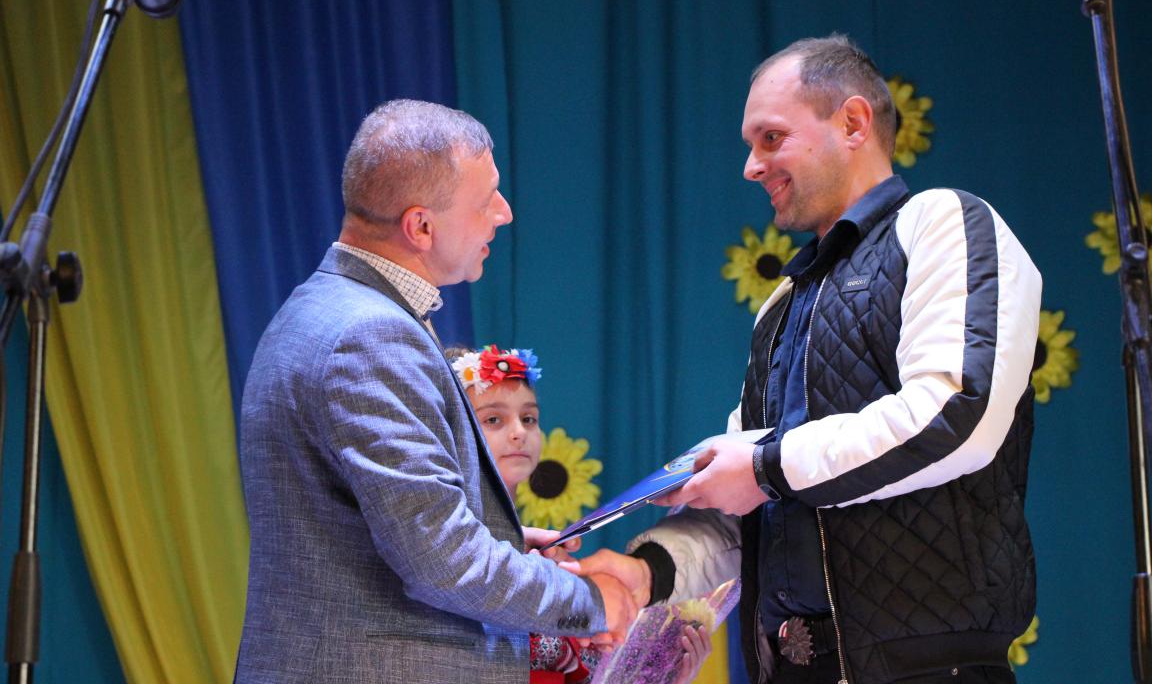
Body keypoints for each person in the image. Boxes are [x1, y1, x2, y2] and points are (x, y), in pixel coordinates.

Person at [576, 35, 1040, 684]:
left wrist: (763, 467)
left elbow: (954, 413)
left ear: (853, 123)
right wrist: (647, 570)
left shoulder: (941, 223)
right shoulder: (781, 303)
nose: (751, 166)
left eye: (771, 138)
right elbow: (757, 498)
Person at [234, 99, 636, 683]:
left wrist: (499, 537)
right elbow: (442, 561)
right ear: (421, 227)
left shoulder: (327, 308)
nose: (504, 213)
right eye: (486, 199)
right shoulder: (368, 335)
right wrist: (593, 601)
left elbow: (370, 528)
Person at [447, 344, 713, 684]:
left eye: (528, 418)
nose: (519, 432)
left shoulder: (548, 561)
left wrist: (661, 674)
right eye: (493, 419)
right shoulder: (441, 558)